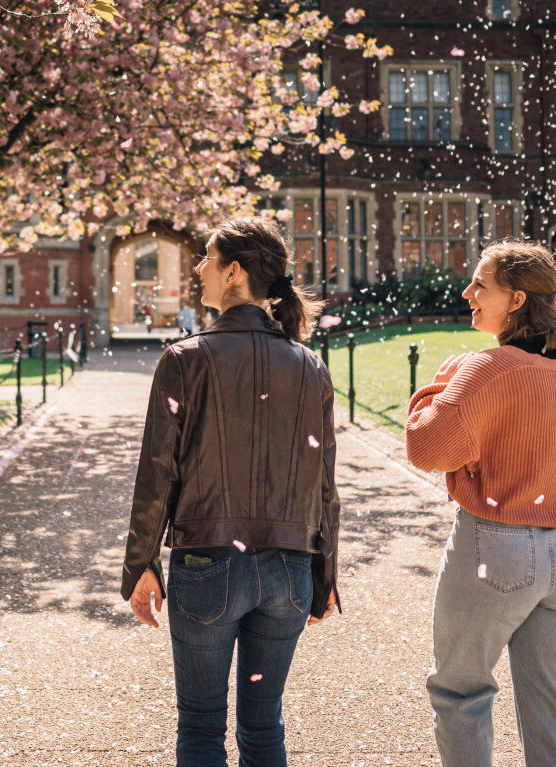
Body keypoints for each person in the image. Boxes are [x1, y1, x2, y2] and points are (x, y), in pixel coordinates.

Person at [123, 216, 341, 766]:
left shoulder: (185, 358)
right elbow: (325, 483)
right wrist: (325, 574)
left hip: (207, 567)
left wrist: (140, 565)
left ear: (234, 272)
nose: (199, 268)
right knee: (264, 726)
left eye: (207, 259)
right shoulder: (310, 365)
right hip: (289, 572)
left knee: (200, 728)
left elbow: (157, 474)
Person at [404, 240, 556, 767]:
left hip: (496, 549)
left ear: (517, 299)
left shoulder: (486, 368)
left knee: (461, 692)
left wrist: (438, 388)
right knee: (552, 708)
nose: (468, 292)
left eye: (482, 285)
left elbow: (425, 449)